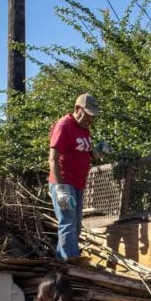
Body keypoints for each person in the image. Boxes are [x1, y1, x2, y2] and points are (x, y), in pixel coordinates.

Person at [48, 93, 103, 260]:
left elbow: (83, 153)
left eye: (93, 116)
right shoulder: (64, 126)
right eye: (88, 114)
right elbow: (53, 158)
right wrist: (60, 188)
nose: (90, 119)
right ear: (77, 109)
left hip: (78, 184)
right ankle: (70, 261)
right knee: (68, 224)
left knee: (76, 226)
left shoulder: (85, 129)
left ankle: (62, 260)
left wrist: (96, 152)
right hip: (65, 183)